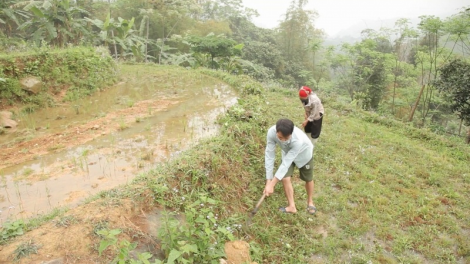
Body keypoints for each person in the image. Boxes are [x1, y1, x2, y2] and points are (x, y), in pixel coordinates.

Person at [264, 118, 317, 214]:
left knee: (308, 179)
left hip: (304, 154)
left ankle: (310, 201)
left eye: (286, 138)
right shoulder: (271, 133)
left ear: (291, 133)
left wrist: (272, 185)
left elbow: (285, 164)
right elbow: (269, 155)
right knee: (285, 178)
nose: (283, 141)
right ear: (276, 131)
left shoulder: (297, 140)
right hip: (287, 153)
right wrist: (269, 180)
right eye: (280, 138)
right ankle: (292, 206)